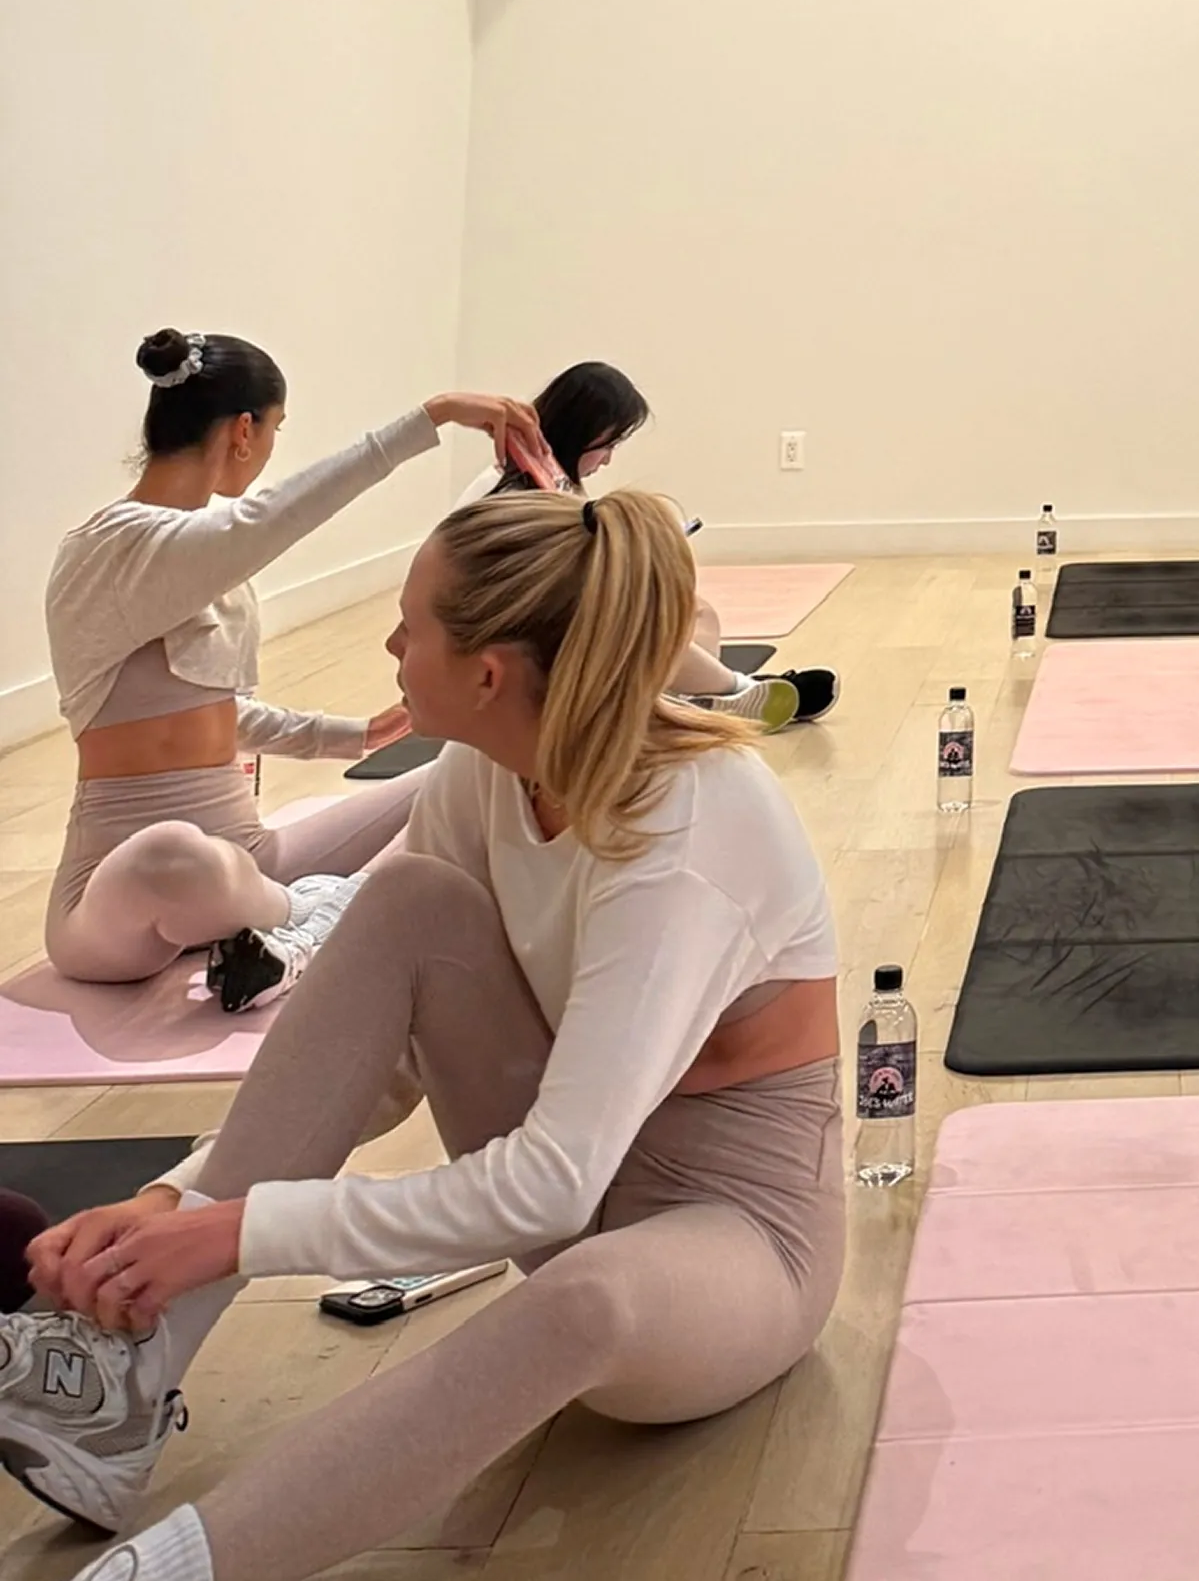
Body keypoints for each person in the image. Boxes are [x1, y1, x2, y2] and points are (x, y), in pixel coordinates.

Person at [0, 488, 844, 1581]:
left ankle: (161, 1574)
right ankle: (117, 1388)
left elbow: (547, 1189)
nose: (390, 644)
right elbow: (382, 1066)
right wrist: (176, 1208)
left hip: (735, 1244)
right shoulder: (487, 772)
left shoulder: (686, 825)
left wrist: (240, 1231)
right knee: (406, 902)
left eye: (412, 624)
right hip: (584, 1184)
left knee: (578, 1299)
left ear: (488, 671)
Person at [44, 329, 555, 1005]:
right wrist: (429, 418)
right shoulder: (114, 550)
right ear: (244, 431)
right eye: (278, 428)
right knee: (176, 854)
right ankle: (319, 911)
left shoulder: (193, 559)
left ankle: (298, 920)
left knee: (475, 770)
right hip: (123, 893)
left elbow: (217, 713)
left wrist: (352, 735)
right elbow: (268, 521)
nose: (271, 447)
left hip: (250, 859)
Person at [462, 360, 837, 730]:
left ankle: (700, 699)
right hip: (516, 631)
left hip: (547, 619)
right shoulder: (512, 489)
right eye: (607, 445)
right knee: (644, 622)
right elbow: (534, 588)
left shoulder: (550, 479)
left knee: (694, 612)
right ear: (580, 432)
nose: (607, 459)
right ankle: (739, 691)